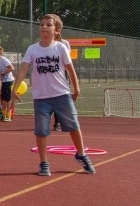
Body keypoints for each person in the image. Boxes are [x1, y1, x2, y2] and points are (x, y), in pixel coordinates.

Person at [12, 14, 95, 177]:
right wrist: (14, 89)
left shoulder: (61, 48)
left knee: (74, 126)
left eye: (48, 25)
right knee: (41, 131)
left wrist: (76, 89)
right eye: (41, 24)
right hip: (41, 97)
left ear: (56, 31)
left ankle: (81, 154)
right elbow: (23, 69)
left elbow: (70, 70)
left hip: (61, 94)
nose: (43, 27)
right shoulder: (32, 49)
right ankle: (43, 162)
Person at [53, 29, 71, 131]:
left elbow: (67, 60)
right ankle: (57, 122)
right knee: (52, 98)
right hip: (50, 74)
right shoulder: (45, 44)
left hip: (61, 74)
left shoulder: (64, 44)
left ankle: (60, 121)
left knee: (62, 98)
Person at [0, 45, 15, 122]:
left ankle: (9, 115)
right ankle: (4, 114)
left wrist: (1, 74)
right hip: (4, 81)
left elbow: (11, 68)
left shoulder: (3, 59)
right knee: (4, 98)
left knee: (8, 98)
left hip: (8, 80)